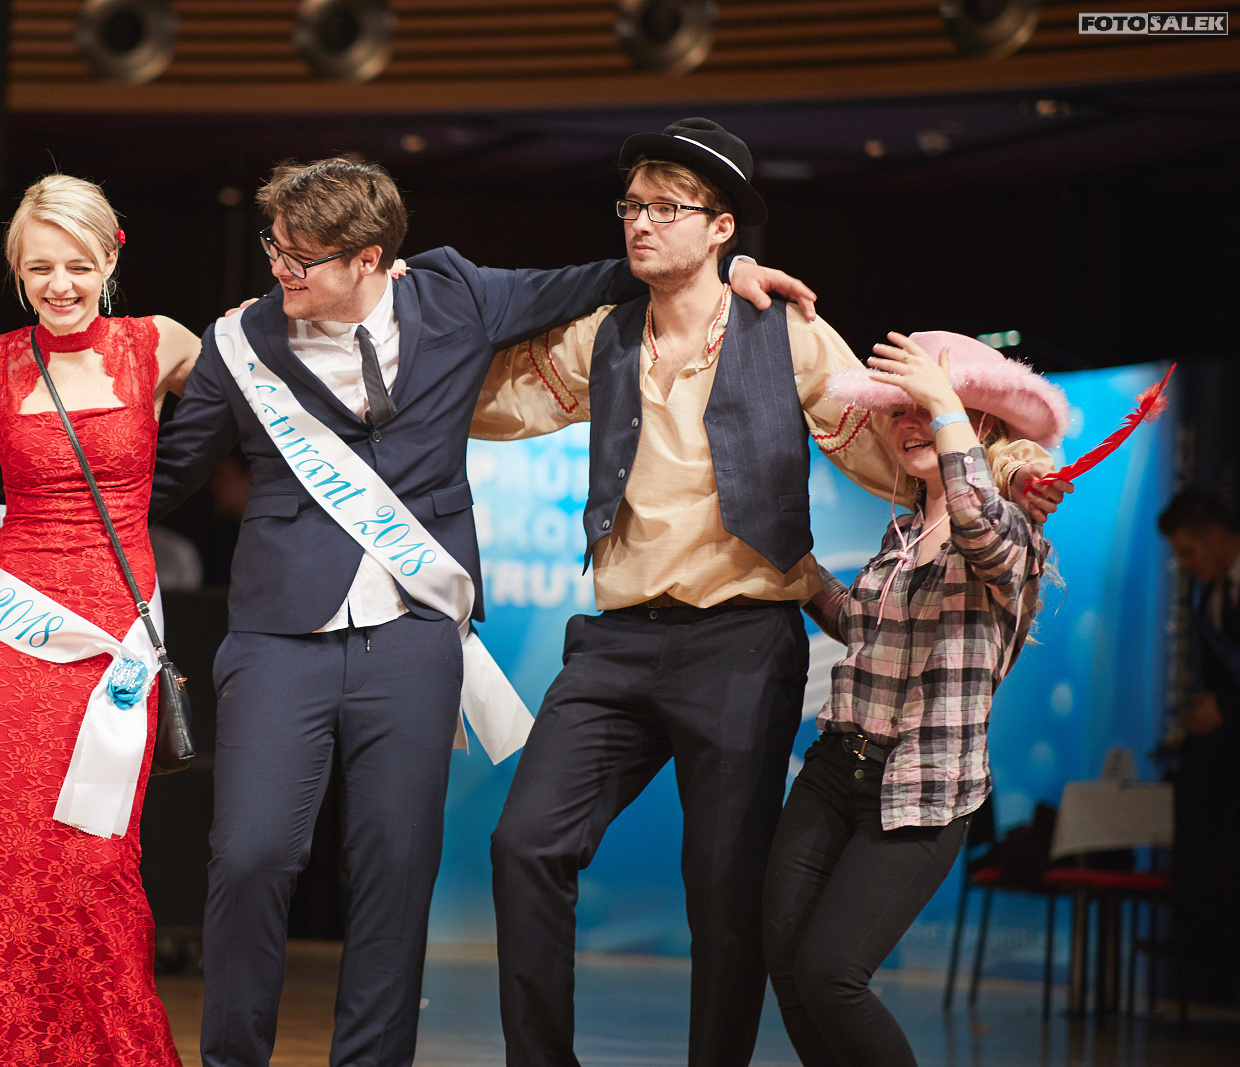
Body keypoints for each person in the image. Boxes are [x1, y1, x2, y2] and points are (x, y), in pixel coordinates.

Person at [148, 155, 809, 1067]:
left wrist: (728, 269)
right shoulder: (241, 341)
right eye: (275, 247)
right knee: (251, 855)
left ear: (370, 257)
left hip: (416, 635)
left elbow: (601, 278)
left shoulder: (454, 295)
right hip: (278, 635)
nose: (280, 268)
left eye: (302, 257)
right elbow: (162, 481)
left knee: (395, 870)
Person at [470, 119, 1068, 1067]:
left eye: (666, 207)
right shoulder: (604, 334)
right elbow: (498, 400)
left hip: (739, 641)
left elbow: (890, 444)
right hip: (616, 641)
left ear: (722, 228)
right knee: (524, 844)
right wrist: (396, 367)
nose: (640, 222)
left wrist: (1001, 469)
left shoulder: (784, 328)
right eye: (632, 205)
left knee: (726, 891)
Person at [0, 174, 201, 1064]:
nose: (58, 285)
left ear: (109, 259)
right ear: (17, 273)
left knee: (90, 853)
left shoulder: (159, 344)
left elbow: (265, 400)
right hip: (15, 628)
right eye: (37, 270)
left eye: (76, 265)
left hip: (113, 634)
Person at [760, 331, 1061, 1065]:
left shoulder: (1015, 527)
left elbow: (980, 526)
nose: (909, 424)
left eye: (926, 407)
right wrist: (803, 576)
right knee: (790, 967)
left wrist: (941, 401)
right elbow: (864, 630)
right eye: (898, 412)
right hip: (836, 768)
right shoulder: (900, 532)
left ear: (977, 421)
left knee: (832, 974)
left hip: (923, 787)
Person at [1157, 489, 1240, 1001]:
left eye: (1189, 552)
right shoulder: (1208, 598)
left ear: (1215, 533)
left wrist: (1227, 709)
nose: (1186, 565)